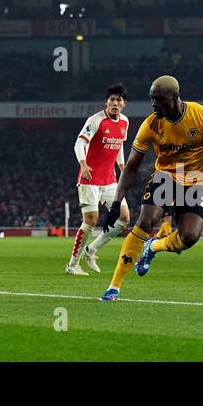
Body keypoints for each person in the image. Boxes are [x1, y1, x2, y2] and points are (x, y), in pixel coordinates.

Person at [99, 75, 203, 300]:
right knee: (145, 220)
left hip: (196, 180)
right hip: (166, 176)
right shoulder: (151, 124)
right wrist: (117, 202)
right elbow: (131, 166)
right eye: (151, 99)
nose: (153, 104)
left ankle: (153, 247)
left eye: (158, 99)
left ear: (174, 97)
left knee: (190, 236)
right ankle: (114, 287)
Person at [66, 84, 132, 275]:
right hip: (90, 179)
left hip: (110, 180)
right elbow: (79, 143)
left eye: (119, 100)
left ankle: (91, 250)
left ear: (124, 104)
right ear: (106, 102)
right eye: (112, 99)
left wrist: (122, 165)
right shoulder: (96, 120)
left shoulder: (125, 122)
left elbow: (119, 145)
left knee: (124, 218)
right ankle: (72, 265)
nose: (115, 103)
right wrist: (83, 164)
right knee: (91, 221)